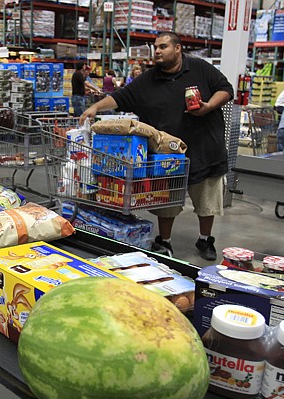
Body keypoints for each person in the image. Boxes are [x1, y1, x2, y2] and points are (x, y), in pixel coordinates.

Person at [80, 32, 234, 261]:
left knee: (207, 201)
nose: (158, 51)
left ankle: (205, 239)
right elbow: (121, 96)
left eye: (163, 46)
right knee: (166, 201)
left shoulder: (200, 68)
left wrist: (209, 106)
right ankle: (165, 241)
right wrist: (95, 108)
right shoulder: (149, 79)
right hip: (167, 156)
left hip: (205, 149)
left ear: (178, 48)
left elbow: (226, 89)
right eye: (156, 47)